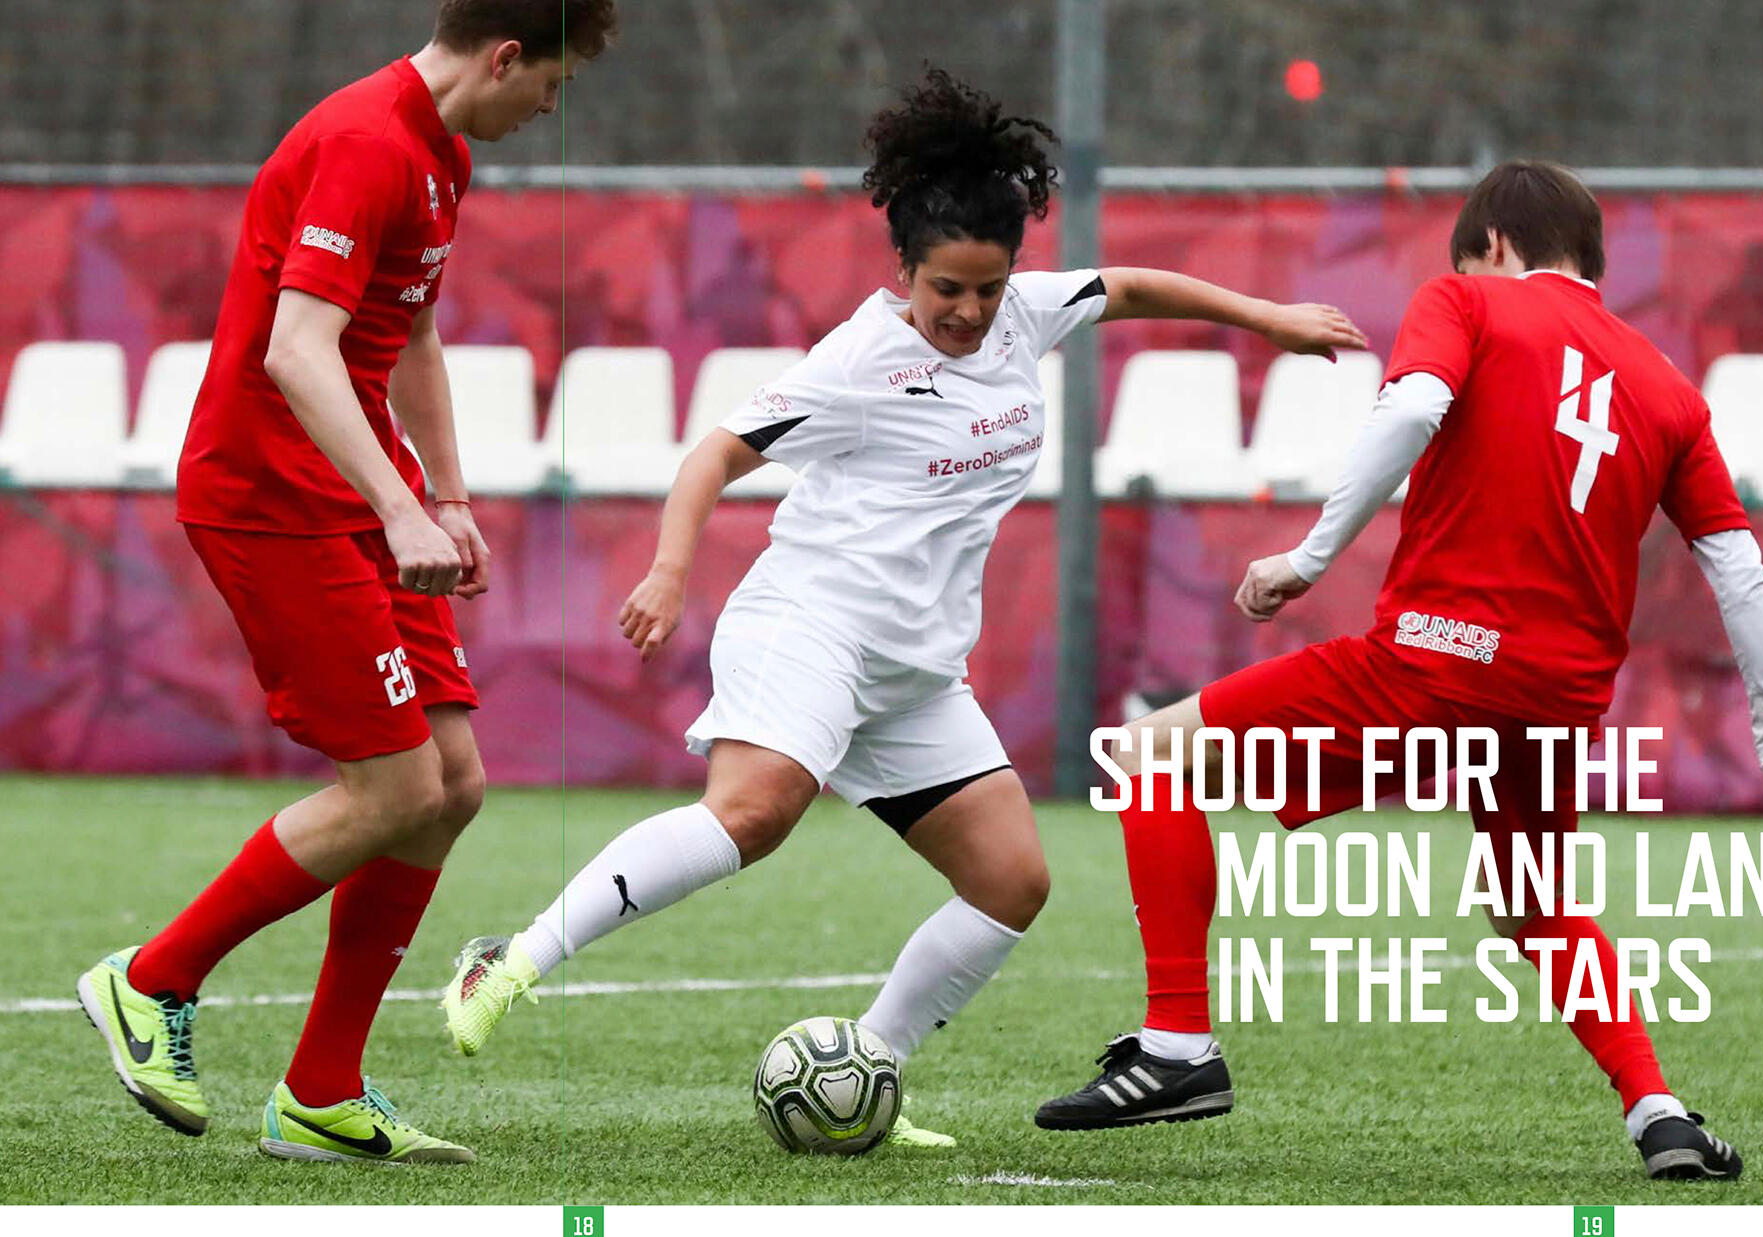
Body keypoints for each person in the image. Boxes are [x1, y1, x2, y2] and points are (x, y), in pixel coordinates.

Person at [439, 68, 1367, 1148]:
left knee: (1011, 881)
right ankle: (511, 959)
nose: (968, 312)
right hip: (810, 625)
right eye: (945, 291)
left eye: (987, 288)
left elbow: (1125, 287)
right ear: (903, 273)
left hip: (913, 670)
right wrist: (667, 571)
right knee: (755, 813)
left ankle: (869, 1068)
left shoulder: (1023, 316)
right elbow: (714, 455)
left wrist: (1268, 318)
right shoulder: (859, 360)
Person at [1035, 160, 1763, 1181]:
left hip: (1436, 665)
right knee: (1533, 902)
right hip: (1556, 702)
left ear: (1493, 246)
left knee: (1146, 757)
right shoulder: (1668, 389)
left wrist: (1307, 558)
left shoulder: (1465, 301)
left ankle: (1176, 1046)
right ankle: (1659, 1114)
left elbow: (1414, 407)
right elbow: (1737, 565)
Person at [77, 0, 618, 1165]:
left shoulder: (441, 153)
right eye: (554, 83)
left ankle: (321, 1090)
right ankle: (151, 979)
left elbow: (407, 334)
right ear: (506, 56)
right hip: (272, 500)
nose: (551, 107)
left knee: (452, 784)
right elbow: (296, 349)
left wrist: (446, 499)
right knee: (391, 790)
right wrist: (398, 506)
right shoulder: (365, 143)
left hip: (358, 498)